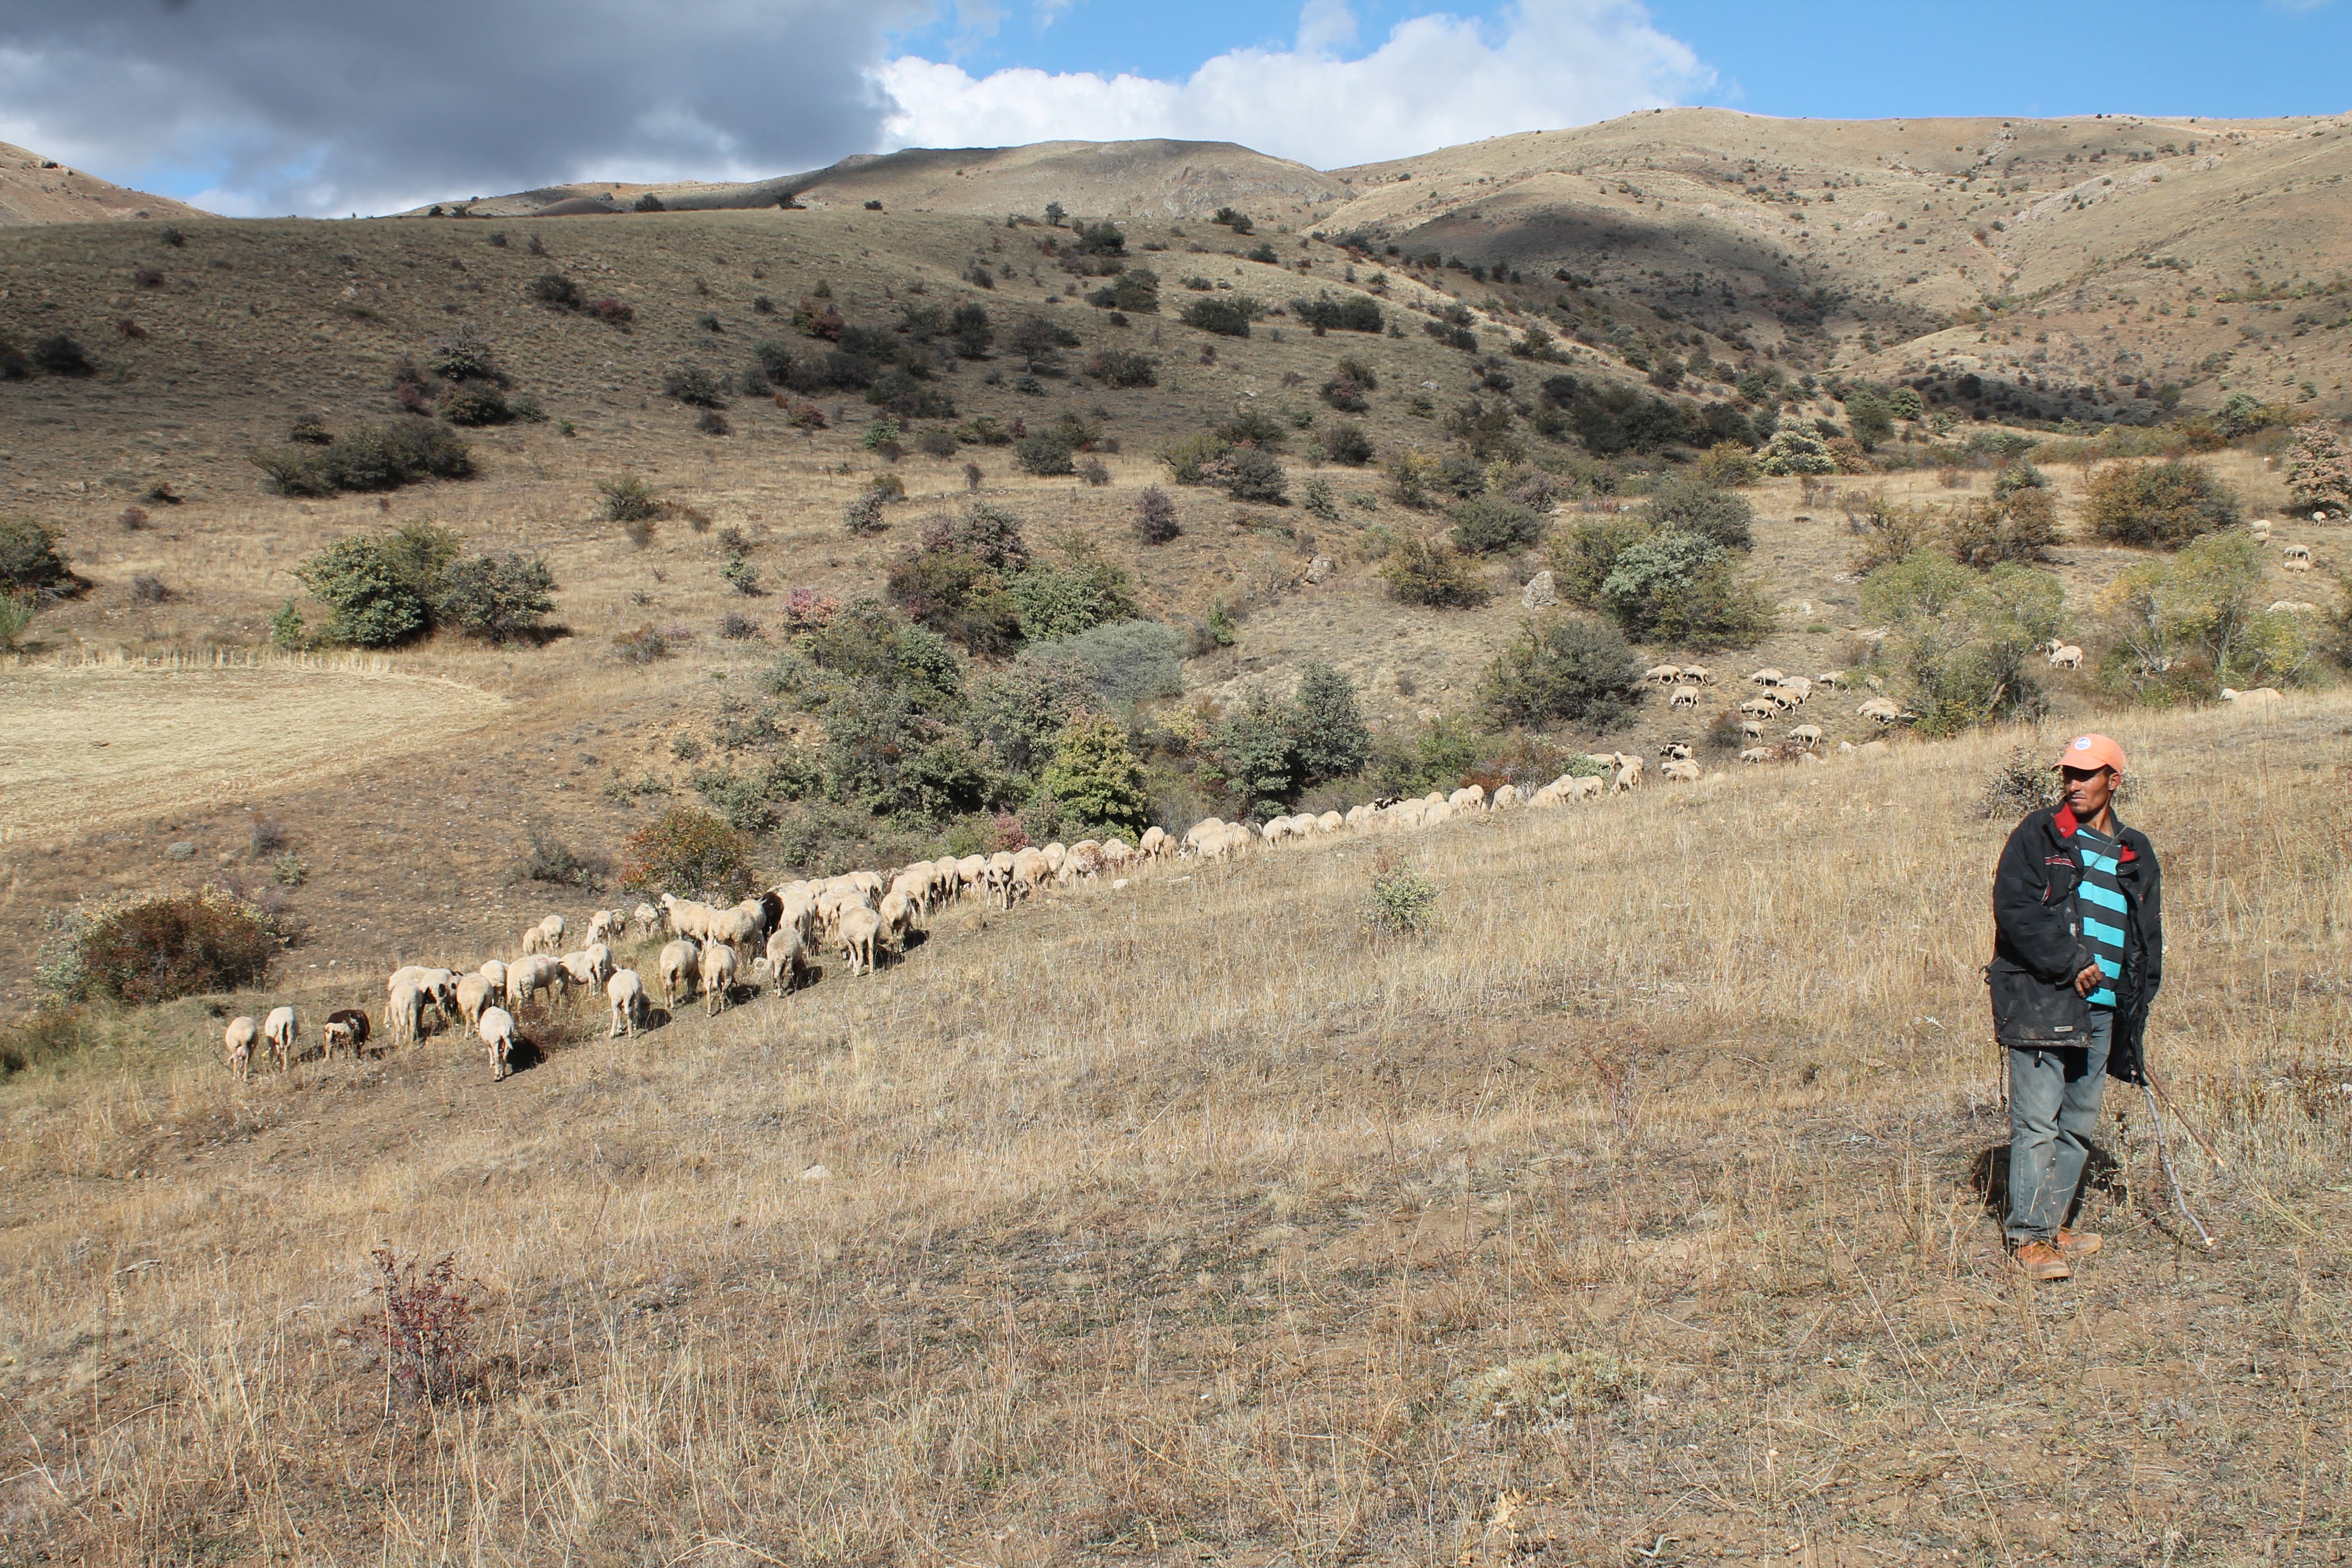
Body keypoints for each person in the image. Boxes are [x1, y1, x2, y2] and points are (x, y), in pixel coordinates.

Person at [1986, 733, 2164, 1281]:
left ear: (2115, 780)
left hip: (2106, 1008)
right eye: (2068, 773)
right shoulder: (2039, 835)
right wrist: (2070, 960)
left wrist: (2138, 1004)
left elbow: (2147, 937)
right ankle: (2029, 1239)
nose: (2073, 783)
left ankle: (2052, 1222)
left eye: (2087, 774)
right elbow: (2014, 908)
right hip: (2044, 998)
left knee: (2079, 1124)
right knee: (2037, 1123)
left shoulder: (2135, 850)